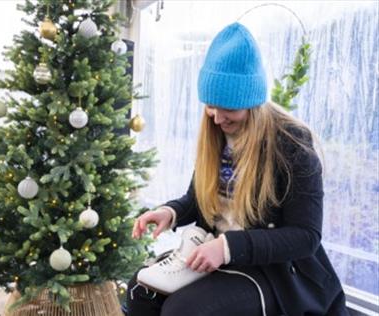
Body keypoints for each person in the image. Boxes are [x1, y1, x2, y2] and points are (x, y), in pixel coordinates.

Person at [126, 22, 349, 316]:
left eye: (228, 108)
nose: (217, 119)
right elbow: (199, 200)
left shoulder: (293, 145)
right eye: (210, 106)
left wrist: (228, 247)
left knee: (184, 311)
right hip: (216, 252)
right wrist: (171, 213)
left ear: (252, 102)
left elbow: (306, 236)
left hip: (274, 270)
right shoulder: (216, 134)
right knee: (139, 292)